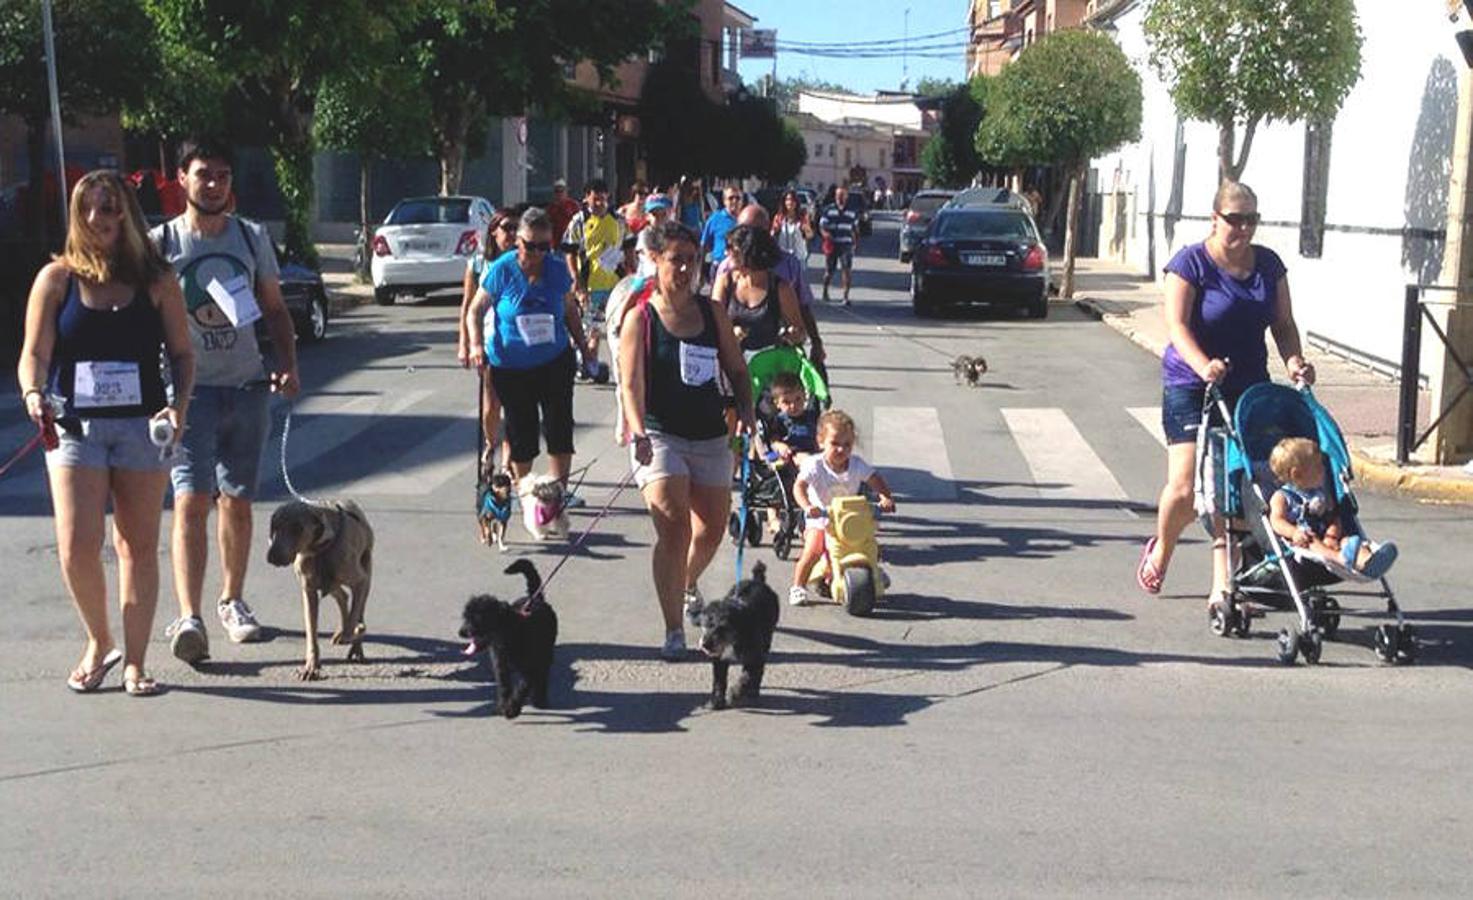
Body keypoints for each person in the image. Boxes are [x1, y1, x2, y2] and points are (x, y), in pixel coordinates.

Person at [18, 170, 196, 695]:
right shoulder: (57, 279)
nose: (102, 219)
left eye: (112, 208)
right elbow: (35, 353)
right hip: (76, 427)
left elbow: (184, 354)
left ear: (129, 215)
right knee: (76, 545)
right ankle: (100, 641)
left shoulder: (157, 279)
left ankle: (137, 661)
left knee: (137, 546)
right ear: (78, 216)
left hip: (144, 428)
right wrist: (33, 394)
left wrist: (177, 408)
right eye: (92, 208)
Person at [154, 138, 300, 663]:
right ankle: (188, 615)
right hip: (187, 394)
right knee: (191, 500)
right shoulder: (162, 243)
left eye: (221, 175)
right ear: (182, 180)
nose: (213, 184)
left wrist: (287, 363)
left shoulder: (250, 237)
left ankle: (232, 601)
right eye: (202, 175)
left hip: (246, 385)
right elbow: (141, 317)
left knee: (236, 501)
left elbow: (275, 309)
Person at [1137, 181, 1316, 608]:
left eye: (1251, 219)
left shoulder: (1269, 265)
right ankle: (1162, 548)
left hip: (1248, 386)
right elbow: (1177, 326)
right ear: (1214, 218)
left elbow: (1283, 324)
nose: (1244, 228)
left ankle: (1227, 583)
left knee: (1234, 483)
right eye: (1235, 219)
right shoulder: (1190, 263)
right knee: (1183, 490)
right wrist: (1204, 366)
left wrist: (1294, 361)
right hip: (1191, 383)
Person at [617, 221, 754, 659]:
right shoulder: (641, 318)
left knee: (712, 529)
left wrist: (748, 410)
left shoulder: (712, 313)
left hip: (711, 434)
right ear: (655, 260)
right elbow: (629, 385)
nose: (685, 269)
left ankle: (687, 580)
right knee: (673, 525)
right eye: (676, 259)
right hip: (659, 435)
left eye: (692, 260)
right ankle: (673, 627)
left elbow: (736, 369)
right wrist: (637, 429)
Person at [468, 207, 595, 495]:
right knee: (521, 432)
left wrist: (586, 351)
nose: (536, 253)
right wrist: (475, 344)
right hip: (511, 366)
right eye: (529, 245)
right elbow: (474, 311)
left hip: (554, 360)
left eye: (543, 246)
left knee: (559, 428)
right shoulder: (503, 269)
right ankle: (527, 495)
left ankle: (559, 494)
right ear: (518, 242)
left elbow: (569, 311)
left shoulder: (556, 268)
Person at [789, 410, 895, 607]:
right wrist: (807, 506)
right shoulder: (815, 465)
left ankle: (874, 570)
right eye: (835, 444)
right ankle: (798, 586)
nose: (841, 449)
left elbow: (875, 479)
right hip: (821, 518)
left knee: (869, 544)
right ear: (821, 442)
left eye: (847, 445)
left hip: (850, 518)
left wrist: (885, 496)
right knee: (813, 549)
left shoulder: (856, 465)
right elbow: (799, 486)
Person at [1267, 437, 1398, 578]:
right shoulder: (1282, 497)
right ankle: (1339, 559)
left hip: (1329, 538)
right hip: (1304, 543)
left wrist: (1332, 535)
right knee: (1312, 541)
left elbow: (1333, 516)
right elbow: (1276, 521)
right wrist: (1294, 533)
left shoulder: (1321, 493)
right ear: (1297, 474)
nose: (1323, 470)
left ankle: (1367, 562)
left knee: (1349, 541)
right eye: (1318, 467)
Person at [726, 203, 828, 377]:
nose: (745, 236)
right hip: (733, 367)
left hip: (770, 366)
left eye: (753, 232)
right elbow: (714, 319)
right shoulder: (726, 272)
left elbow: (802, 310)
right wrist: (730, 333)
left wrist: (811, 341)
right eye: (742, 230)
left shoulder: (787, 268)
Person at [459, 205, 522, 471]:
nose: (512, 234)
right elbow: (467, 306)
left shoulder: (525, 261)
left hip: (518, 343)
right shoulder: (478, 264)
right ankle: (490, 444)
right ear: (493, 232)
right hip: (488, 342)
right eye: (507, 228)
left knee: (516, 406)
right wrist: (465, 344)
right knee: (492, 405)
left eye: (516, 229)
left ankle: (509, 462)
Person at [562, 178, 631, 381]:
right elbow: (569, 252)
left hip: (615, 285)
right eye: (595, 199)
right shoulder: (579, 221)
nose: (600, 203)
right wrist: (575, 279)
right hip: (588, 286)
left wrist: (630, 273)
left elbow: (629, 247)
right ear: (586, 199)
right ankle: (587, 363)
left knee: (616, 328)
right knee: (591, 330)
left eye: (603, 199)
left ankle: (602, 365)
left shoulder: (618, 221)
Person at [713, 225, 806, 354]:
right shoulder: (725, 282)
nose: (726, 253)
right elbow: (713, 325)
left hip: (767, 365)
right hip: (730, 363)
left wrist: (791, 335)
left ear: (750, 253)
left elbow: (800, 332)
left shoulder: (780, 288)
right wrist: (730, 333)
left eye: (731, 248)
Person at [818, 184, 859, 305]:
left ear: (846, 196)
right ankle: (825, 290)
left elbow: (855, 229)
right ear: (835, 196)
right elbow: (821, 227)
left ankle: (845, 296)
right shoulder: (828, 210)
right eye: (838, 195)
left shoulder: (852, 211)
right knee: (829, 270)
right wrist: (826, 235)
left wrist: (855, 242)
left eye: (842, 195)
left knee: (846, 270)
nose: (840, 197)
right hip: (832, 244)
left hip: (846, 244)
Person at [699, 187, 742, 286]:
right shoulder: (715, 218)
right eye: (731, 198)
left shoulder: (745, 218)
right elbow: (704, 246)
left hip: (739, 269)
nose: (734, 201)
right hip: (719, 268)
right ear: (724, 201)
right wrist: (700, 271)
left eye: (738, 198)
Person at [636, 193, 674, 278]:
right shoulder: (646, 234)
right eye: (655, 215)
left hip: (668, 272)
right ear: (647, 216)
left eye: (663, 214)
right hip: (648, 274)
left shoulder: (674, 231)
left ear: (670, 213)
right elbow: (651, 255)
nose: (659, 218)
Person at [771, 189, 813, 264]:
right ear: (784, 202)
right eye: (787, 200)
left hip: (799, 257)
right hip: (783, 257)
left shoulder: (802, 217)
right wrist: (774, 230)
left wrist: (806, 230)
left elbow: (809, 235)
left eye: (792, 200)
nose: (790, 202)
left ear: (796, 202)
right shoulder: (779, 217)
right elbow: (772, 234)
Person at [546, 177, 581, 246]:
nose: (559, 194)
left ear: (566, 191)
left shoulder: (573, 205)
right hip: (557, 244)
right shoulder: (551, 209)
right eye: (557, 191)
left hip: (571, 242)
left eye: (561, 191)